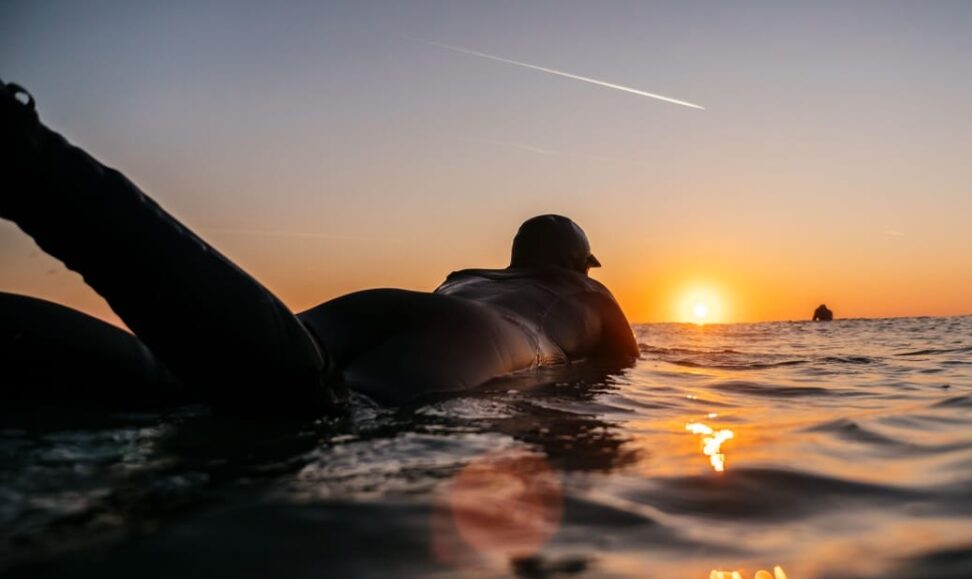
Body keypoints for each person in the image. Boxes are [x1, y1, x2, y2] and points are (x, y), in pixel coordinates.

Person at [0, 81, 638, 415]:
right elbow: (624, 373)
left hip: (392, 305)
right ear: (578, 263)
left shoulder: (467, 273)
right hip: (475, 339)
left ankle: (31, 169)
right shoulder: (591, 293)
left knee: (173, 378)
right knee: (328, 412)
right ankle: (32, 161)